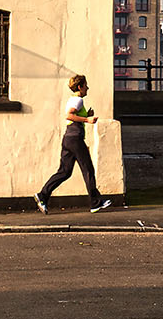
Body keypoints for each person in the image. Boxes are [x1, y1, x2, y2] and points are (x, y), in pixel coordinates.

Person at [35, 74, 113, 214]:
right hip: (75, 139)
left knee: (64, 172)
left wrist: (86, 115)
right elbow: (69, 115)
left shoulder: (73, 100)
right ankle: (95, 203)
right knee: (88, 169)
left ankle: (42, 196)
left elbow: (72, 116)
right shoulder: (78, 100)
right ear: (79, 87)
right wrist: (87, 120)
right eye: (85, 86)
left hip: (68, 139)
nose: (87, 88)